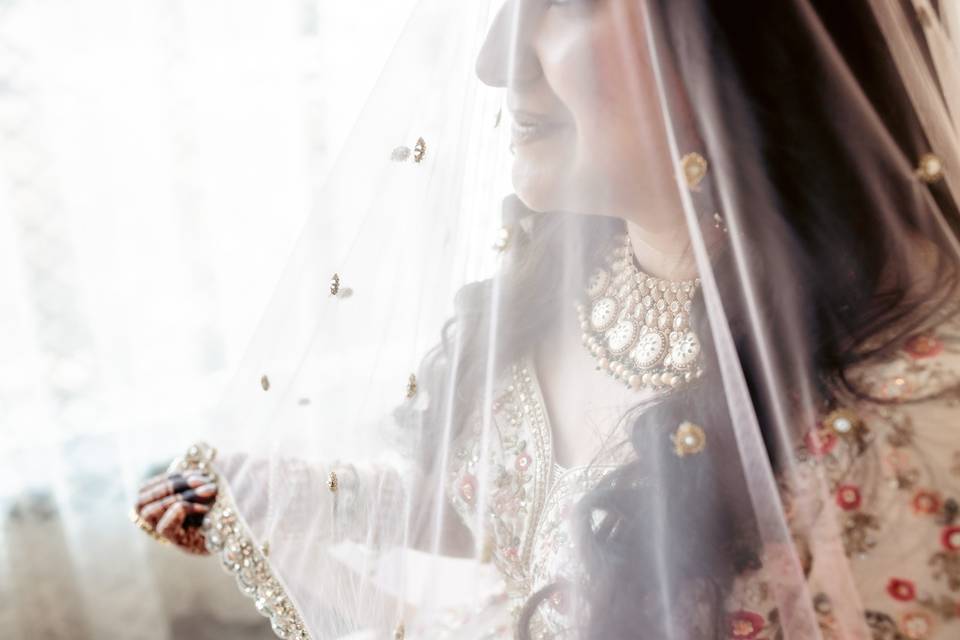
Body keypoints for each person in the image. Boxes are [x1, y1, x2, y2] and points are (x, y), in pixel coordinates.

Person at [133, 1, 960, 638]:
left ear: (744, 36)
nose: (494, 57)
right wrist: (294, 500)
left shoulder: (906, 421)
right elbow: (526, 518)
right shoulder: (564, 268)